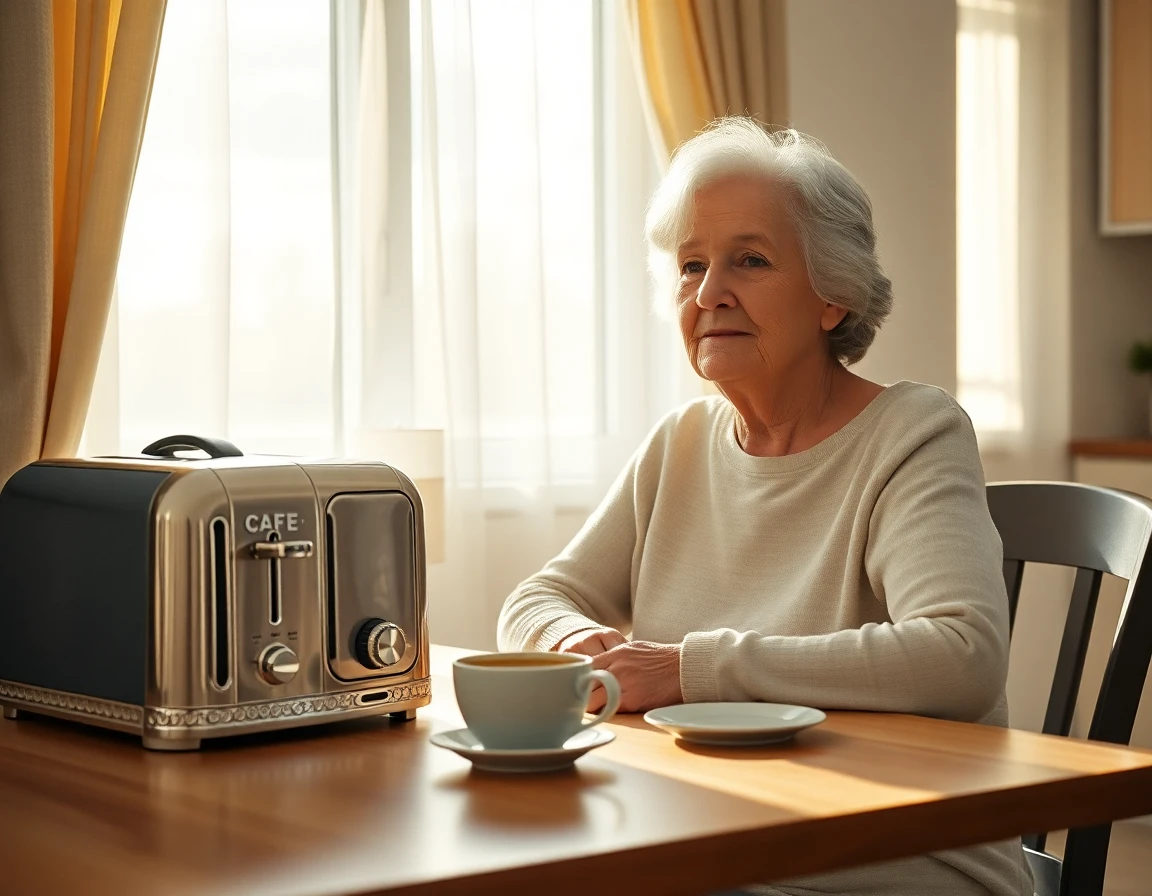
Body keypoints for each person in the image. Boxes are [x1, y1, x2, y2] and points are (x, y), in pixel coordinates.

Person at [497, 117, 1033, 896]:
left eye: (749, 260)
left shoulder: (913, 432)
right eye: (690, 266)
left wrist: (689, 669)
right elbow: (535, 599)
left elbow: (961, 655)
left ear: (833, 296)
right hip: (724, 827)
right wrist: (586, 646)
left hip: (904, 847)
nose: (710, 293)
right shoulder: (678, 444)